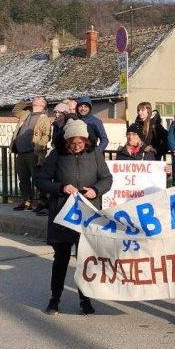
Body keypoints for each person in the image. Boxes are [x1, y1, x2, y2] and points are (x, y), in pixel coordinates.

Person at [35, 119, 113, 315]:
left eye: (80, 144)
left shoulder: (95, 153)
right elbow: (41, 181)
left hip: (87, 214)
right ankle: (55, 298)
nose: (76, 148)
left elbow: (107, 179)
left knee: (85, 258)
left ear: (86, 141)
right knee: (60, 257)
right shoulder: (56, 155)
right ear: (66, 141)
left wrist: (96, 190)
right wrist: (61, 188)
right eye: (72, 144)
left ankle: (85, 299)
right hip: (63, 213)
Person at [11, 96, 52, 212]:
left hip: (33, 153)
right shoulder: (26, 114)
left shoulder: (43, 117)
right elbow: (15, 111)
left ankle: (42, 202)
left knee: (37, 179)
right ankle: (26, 202)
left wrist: (37, 148)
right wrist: (24, 101)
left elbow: (46, 135)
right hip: (21, 152)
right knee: (23, 179)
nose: (35, 98)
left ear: (43, 104)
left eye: (38, 98)